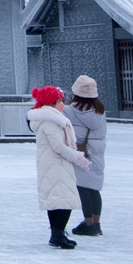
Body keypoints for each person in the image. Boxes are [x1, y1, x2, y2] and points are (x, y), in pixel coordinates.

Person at [26, 85, 91, 249]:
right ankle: (57, 234)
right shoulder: (50, 121)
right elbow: (58, 147)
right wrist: (77, 156)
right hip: (55, 166)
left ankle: (58, 233)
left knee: (57, 200)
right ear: (52, 103)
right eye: (61, 100)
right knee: (62, 201)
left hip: (55, 165)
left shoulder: (53, 119)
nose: (64, 103)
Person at [66, 75, 107, 237]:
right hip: (96, 153)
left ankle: (88, 223)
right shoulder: (100, 110)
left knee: (82, 187)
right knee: (94, 188)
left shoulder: (70, 110)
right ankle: (96, 223)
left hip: (80, 153)